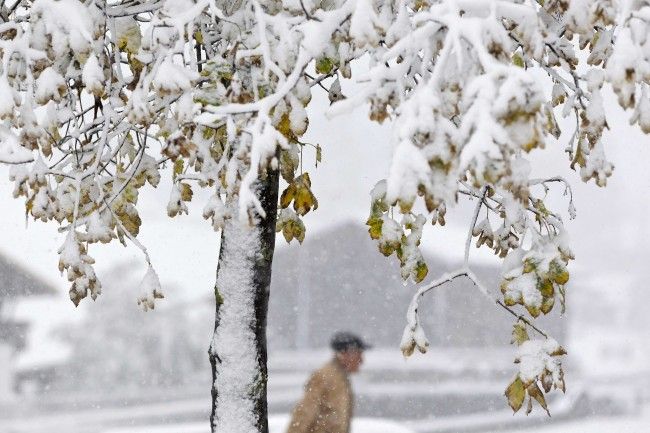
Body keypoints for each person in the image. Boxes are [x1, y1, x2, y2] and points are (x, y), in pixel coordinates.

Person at [286, 331, 371, 433]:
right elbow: (303, 415)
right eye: (358, 354)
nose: (362, 360)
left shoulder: (342, 379)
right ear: (344, 354)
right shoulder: (325, 377)